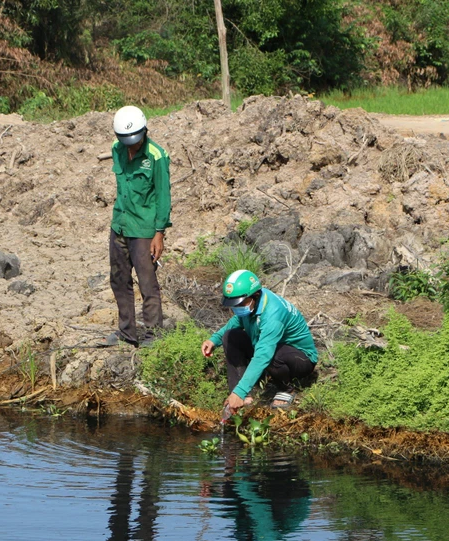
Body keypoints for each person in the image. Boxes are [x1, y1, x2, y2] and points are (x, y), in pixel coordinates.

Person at [99, 106, 172, 348]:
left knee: (147, 284)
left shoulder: (156, 156)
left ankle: (152, 337)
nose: (131, 145)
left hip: (144, 230)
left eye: (135, 140)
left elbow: (163, 196)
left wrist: (159, 233)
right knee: (119, 280)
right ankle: (127, 333)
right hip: (119, 225)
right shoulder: (116, 150)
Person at [201, 270, 318, 413]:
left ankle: (286, 389)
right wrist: (214, 340)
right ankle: (240, 396)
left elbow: (263, 354)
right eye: (233, 305)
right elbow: (236, 321)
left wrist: (241, 391)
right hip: (270, 349)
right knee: (230, 336)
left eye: (239, 304)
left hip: (300, 359)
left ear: (255, 296)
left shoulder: (273, 313)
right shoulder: (252, 304)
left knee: (272, 354)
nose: (236, 308)